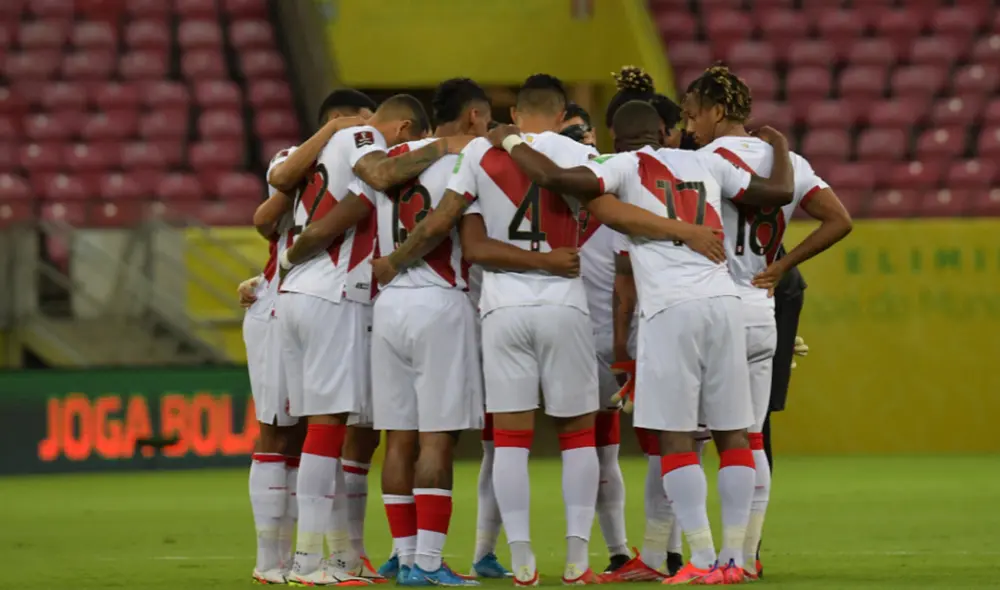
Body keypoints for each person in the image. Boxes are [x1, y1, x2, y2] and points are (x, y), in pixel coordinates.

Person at [373, 74, 721, 585]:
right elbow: (613, 212)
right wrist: (683, 231)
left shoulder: (478, 155)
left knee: (510, 442)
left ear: (514, 114)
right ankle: (579, 559)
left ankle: (522, 559)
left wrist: (394, 261)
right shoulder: (579, 155)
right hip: (565, 306)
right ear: (562, 117)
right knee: (578, 438)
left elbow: (448, 225)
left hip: (502, 309)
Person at [487, 99, 795, 584]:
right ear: (669, 132)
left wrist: (506, 138)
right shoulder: (708, 160)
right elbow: (778, 191)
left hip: (670, 311)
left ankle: (700, 558)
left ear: (616, 135)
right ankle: (735, 559)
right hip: (724, 301)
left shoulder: (621, 165)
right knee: (734, 434)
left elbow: (554, 179)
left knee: (675, 438)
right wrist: (778, 145)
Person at [276, 94, 471, 586]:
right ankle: (416, 562)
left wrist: (287, 258)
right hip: (413, 298)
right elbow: (445, 222)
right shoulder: (436, 161)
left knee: (391, 438)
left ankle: (389, 558)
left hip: (375, 308)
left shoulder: (364, 177)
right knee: (431, 437)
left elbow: (309, 219)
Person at [683, 64, 852, 579]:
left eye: (693, 115)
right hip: (762, 304)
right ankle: (747, 556)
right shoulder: (791, 161)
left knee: (688, 437)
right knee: (752, 438)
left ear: (715, 111)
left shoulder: (702, 161)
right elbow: (840, 219)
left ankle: (694, 555)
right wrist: (781, 265)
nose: (690, 127)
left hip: (713, 303)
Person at [243, 89, 377, 585]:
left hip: (288, 295)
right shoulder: (298, 159)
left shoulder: (333, 166)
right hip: (295, 301)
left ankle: (285, 561)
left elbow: (268, 221)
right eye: (364, 122)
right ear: (345, 121)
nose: (372, 131)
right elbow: (263, 217)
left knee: (292, 435)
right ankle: (288, 560)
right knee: (287, 430)